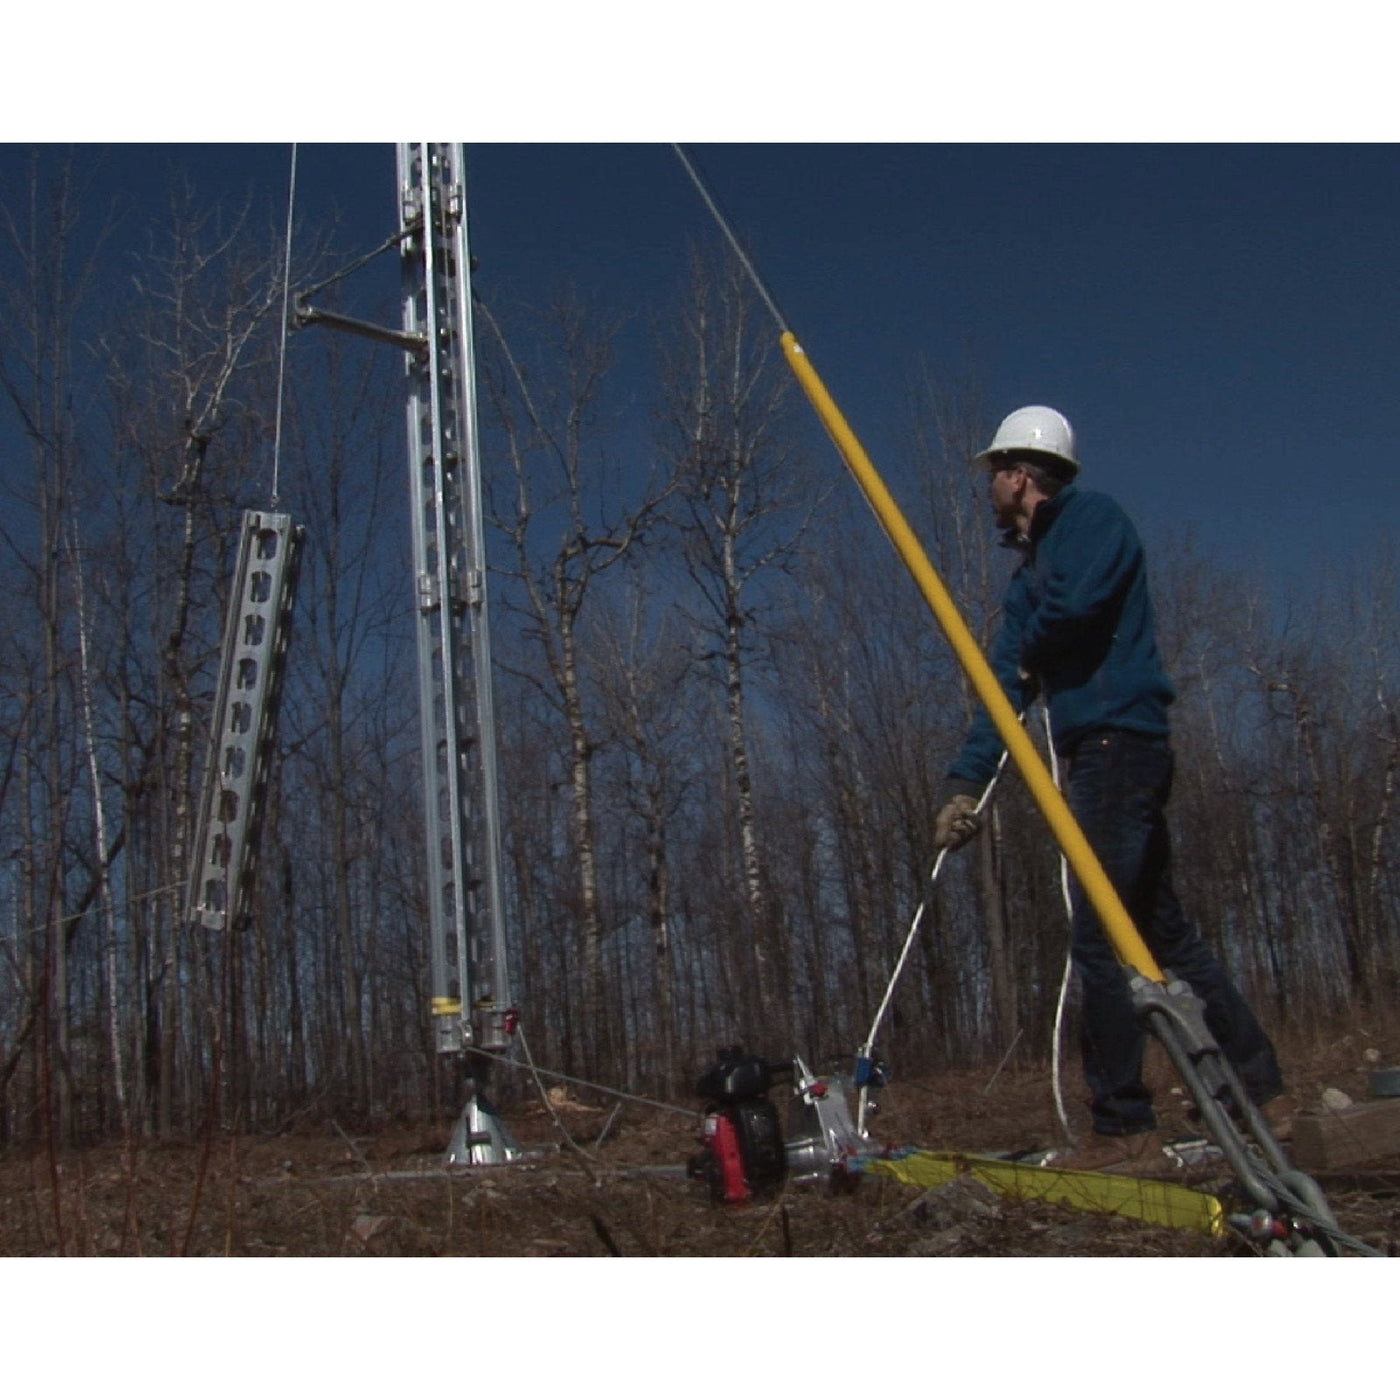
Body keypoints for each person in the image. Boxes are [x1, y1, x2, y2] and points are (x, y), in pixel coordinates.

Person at [934, 405, 1287, 1155]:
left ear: (1020, 475)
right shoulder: (1027, 582)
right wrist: (965, 785)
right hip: (1090, 748)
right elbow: (1004, 687)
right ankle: (1255, 1078)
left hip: (1121, 741)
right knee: (1159, 928)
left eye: (994, 472)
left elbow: (1079, 605)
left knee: (1100, 932)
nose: (987, 487)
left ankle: (1121, 1118)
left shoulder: (1093, 523)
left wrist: (1029, 649)